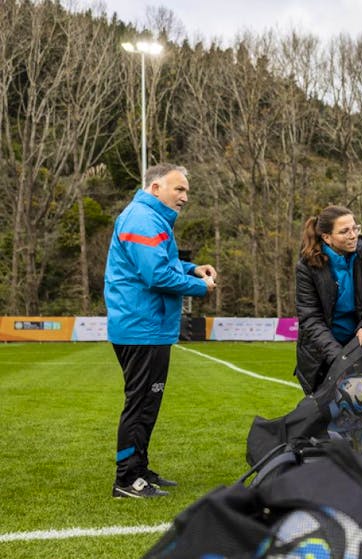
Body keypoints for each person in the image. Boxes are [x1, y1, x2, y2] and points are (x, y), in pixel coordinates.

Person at [105, 163, 217, 499]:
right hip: (142, 327)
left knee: (147, 404)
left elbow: (164, 264)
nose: (185, 197)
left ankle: (138, 469)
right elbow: (157, 276)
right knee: (140, 404)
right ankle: (126, 479)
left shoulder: (153, 219)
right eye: (178, 189)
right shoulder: (142, 218)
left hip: (149, 327)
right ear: (156, 188)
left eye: (186, 191)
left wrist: (193, 269)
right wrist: (202, 288)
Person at [294, 205, 362, 392]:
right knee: (325, 417)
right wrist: (339, 357)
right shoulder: (307, 266)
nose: (353, 235)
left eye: (355, 228)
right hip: (321, 354)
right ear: (327, 237)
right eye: (344, 231)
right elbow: (310, 317)